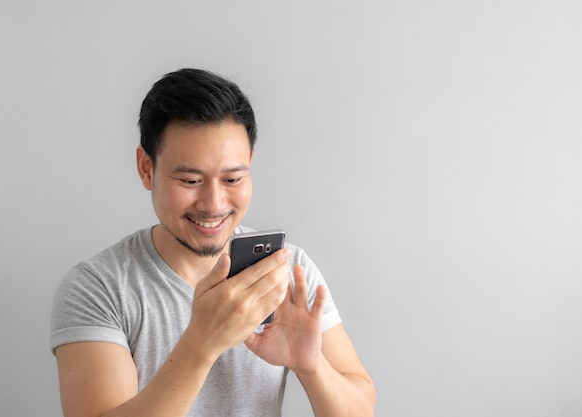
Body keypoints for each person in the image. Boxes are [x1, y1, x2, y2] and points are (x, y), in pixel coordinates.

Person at [50, 68, 376, 417]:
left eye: (232, 178)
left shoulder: (286, 271)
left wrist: (312, 368)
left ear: (250, 165)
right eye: (190, 180)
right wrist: (202, 344)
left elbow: (360, 409)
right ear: (147, 169)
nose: (214, 204)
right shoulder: (97, 287)